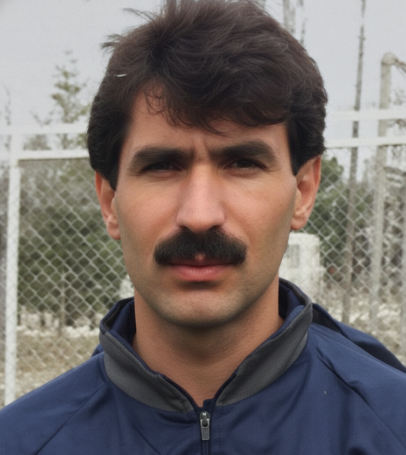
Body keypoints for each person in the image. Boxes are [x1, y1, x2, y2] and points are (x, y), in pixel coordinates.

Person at [1, 0, 406, 453]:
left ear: (303, 191)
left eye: (242, 162)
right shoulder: (20, 442)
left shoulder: (393, 427)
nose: (199, 215)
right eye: (162, 165)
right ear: (110, 201)